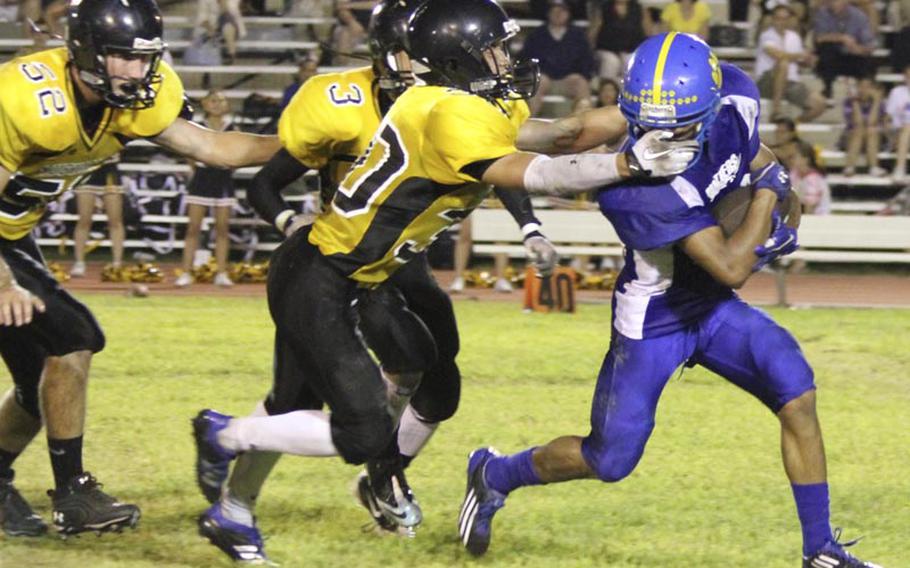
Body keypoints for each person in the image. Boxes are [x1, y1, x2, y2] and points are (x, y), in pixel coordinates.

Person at [191, 0, 698, 563]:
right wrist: (628, 165)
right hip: (323, 276)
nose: (507, 59)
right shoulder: (447, 114)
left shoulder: (463, 101)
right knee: (357, 429)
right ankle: (224, 435)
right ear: (459, 61)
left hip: (365, 276)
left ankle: (273, 500)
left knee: (414, 368)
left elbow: (563, 136)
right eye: (495, 50)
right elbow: (537, 172)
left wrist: (652, 110)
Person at [457, 32, 881, 568]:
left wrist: (780, 196)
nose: (660, 135)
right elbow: (731, 267)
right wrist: (771, 198)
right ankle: (494, 474)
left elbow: (754, 156)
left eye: (677, 123)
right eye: (646, 122)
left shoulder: (736, 96)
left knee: (797, 395)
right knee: (610, 459)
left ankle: (820, 550)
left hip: (711, 309)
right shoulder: (631, 192)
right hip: (655, 317)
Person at [0, 0, 281, 538]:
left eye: (144, 57)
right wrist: (4, 282)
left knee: (40, 383)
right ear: (84, 53)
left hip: (11, 235)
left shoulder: (135, 98)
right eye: (123, 59)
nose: (138, 71)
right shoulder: (24, 99)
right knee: (73, 338)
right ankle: (74, 496)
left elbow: (214, 148)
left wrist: (311, 144)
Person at [176, 90, 239, 288]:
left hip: (223, 180)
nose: (217, 104)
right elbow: (188, 153)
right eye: (213, 101)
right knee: (193, 229)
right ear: (205, 104)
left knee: (222, 229)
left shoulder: (232, 128)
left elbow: (238, 152)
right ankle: (186, 272)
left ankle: (221, 272)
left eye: (221, 101)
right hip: (201, 180)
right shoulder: (197, 126)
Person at [520, 0, 595, 116]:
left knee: (580, 82)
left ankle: (584, 121)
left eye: (562, 11)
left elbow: (586, 59)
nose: (558, 14)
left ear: (568, 14)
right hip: (544, 79)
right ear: (548, 13)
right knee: (538, 80)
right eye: (554, 11)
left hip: (568, 80)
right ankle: (528, 120)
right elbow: (526, 58)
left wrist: (583, 75)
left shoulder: (577, 35)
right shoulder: (537, 35)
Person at [755, 5, 826, 121]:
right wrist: (800, 55)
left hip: (791, 82)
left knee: (820, 103)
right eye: (778, 18)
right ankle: (776, 111)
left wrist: (808, 60)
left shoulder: (794, 37)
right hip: (767, 81)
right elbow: (778, 55)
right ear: (773, 19)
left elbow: (798, 61)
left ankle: (793, 126)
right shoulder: (766, 35)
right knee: (783, 64)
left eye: (784, 19)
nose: (781, 22)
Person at [70, 156, 125, 278]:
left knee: (115, 221)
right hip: (87, 170)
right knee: (84, 220)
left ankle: (117, 263)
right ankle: (79, 262)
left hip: (109, 170)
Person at [813, 0, 876, 99]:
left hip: (851, 56)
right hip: (832, 57)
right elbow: (819, 38)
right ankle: (828, 89)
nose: (833, 4)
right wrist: (842, 38)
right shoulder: (823, 13)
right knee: (826, 48)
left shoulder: (859, 17)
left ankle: (866, 94)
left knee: (868, 61)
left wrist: (858, 49)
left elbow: (869, 45)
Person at [588, 0, 648, 81]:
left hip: (631, 49)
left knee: (629, 60)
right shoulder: (604, 8)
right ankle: (606, 89)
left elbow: (646, 31)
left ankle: (628, 90)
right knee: (611, 61)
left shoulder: (638, 8)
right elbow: (595, 30)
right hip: (606, 49)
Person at [842, 77, 886, 176]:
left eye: (868, 87)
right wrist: (855, 101)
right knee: (859, 129)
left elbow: (871, 122)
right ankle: (850, 167)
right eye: (861, 86)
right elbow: (858, 122)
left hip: (873, 138)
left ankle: (874, 167)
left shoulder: (880, 103)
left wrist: (876, 101)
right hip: (852, 137)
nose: (864, 90)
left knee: (871, 130)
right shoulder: (849, 102)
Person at [885, 64, 910, 181]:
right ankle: (900, 169)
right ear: (905, 77)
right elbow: (887, 119)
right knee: (907, 128)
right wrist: (891, 136)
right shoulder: (897, 92)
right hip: (899, 133)